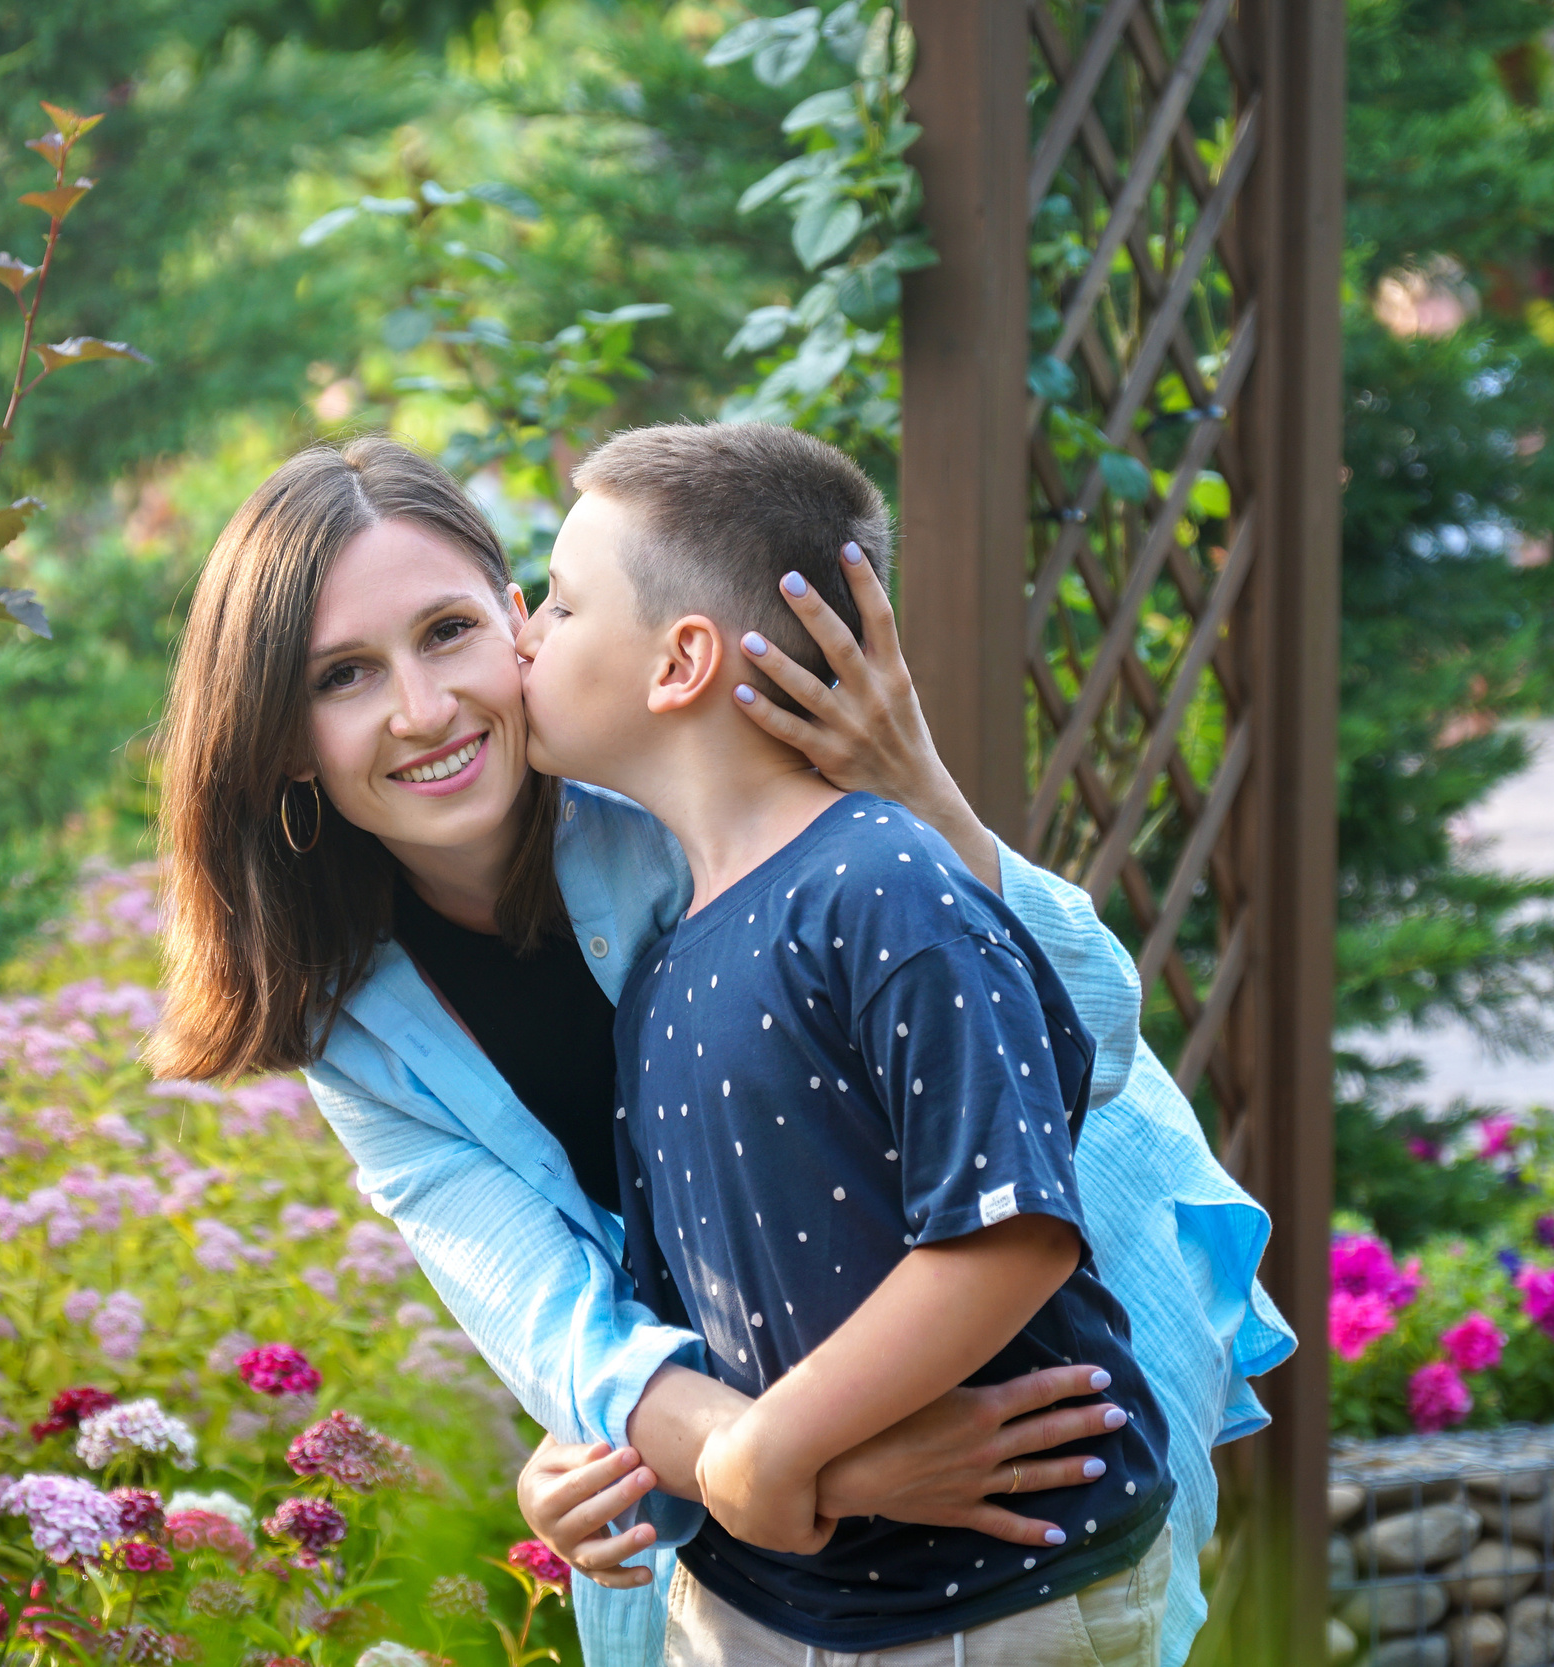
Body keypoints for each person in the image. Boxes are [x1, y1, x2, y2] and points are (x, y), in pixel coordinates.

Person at [149, 438, 1291, 1667]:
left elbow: (1091, 1037)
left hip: (1016, 1404)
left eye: (445, 633)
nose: (421, 710)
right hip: (770, 1540)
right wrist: (787, 1464)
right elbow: (553, 1317)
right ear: (279, 739)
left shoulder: (670, 765)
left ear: (517, 621)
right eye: (343, 677)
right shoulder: (353, 1026)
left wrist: (927, 800)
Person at [516, 422, 1170, 1663]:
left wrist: (767, 1450)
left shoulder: (880, 885)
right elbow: (690, 1313)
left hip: (1002, 1603)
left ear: (680, 662)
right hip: (755, 1604)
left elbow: (1012, 1226)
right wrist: (600, 1461)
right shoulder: (661, 970)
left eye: (556, 602)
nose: (523, 634)